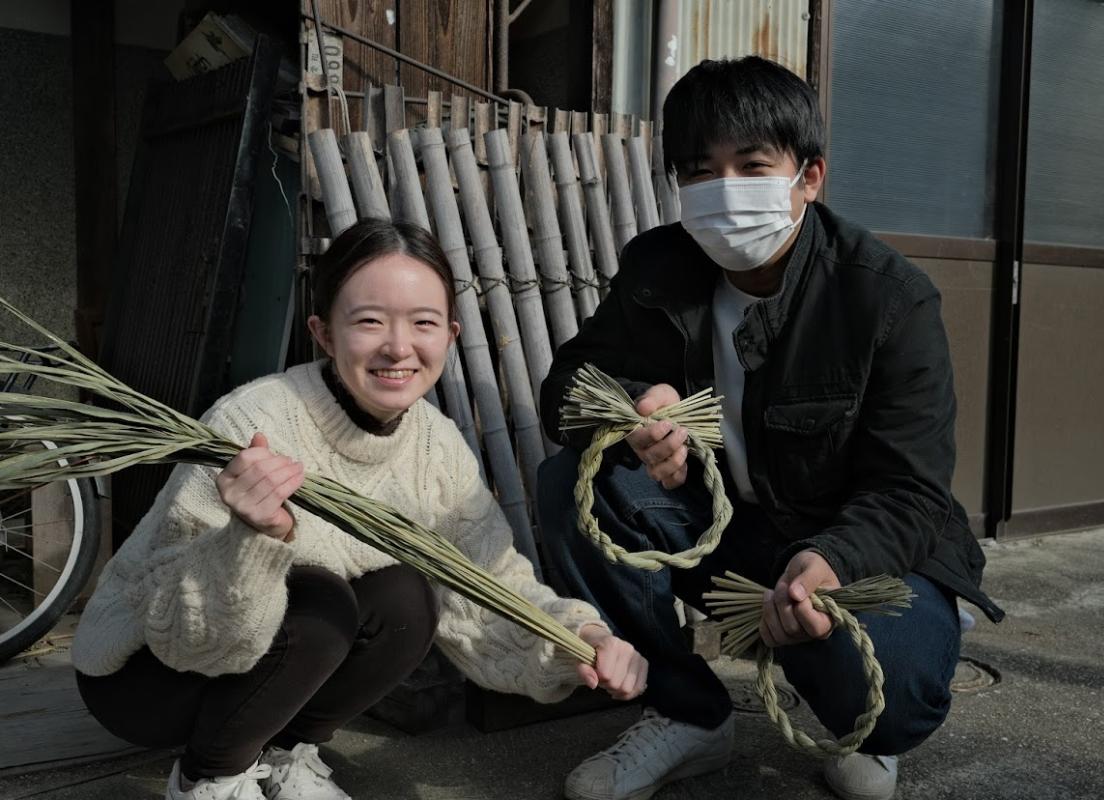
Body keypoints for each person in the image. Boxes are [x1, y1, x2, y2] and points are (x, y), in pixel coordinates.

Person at [537, 56, 1005, 800]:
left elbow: (910, 490)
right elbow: (564, 392)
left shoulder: (888, 299)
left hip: (857, 547)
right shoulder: (657, 268)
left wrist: (832, 560)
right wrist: (628, 409)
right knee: (572, 485)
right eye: (699, 170)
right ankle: (688, 714)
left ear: (809, 176)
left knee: (895, 701)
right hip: (730, 531)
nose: (724, 191)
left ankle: (875, 728)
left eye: (752, 165)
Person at [72, 219, 648, 800]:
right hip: (147, 678)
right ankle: (209, 777)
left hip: (265, 666)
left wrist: (582, 638)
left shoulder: (436, 447)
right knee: (321, 600)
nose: (398, 347)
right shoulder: (254, 423)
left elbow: (489, 585)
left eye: (422, 323)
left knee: (407, 599)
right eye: (369, 321)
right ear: (323, 334)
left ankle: (282, 755)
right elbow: (180, 634)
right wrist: (249, 539)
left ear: (449, 336)